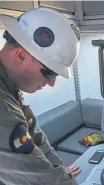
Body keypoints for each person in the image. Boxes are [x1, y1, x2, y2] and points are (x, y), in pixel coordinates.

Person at [0, 8, 81, 185]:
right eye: (49, 72)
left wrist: (59, 170)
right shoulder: (2, 104)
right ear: (21, 55)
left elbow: (34, 136)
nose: (52, 83)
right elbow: (39, 178)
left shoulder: (10, 84)